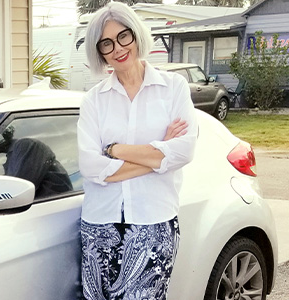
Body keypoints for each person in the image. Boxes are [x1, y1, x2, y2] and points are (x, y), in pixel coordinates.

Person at [76, 2, 198, 299]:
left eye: (123, 36)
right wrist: (159, 158)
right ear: (99, 52)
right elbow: (90, 167)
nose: (118, 48)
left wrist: (115, 149)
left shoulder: (173, 88)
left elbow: (184, 151)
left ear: (136, 35)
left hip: (153, 222)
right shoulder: (94, 100)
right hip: (99, 227)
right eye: (107, 43)